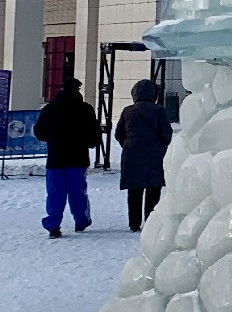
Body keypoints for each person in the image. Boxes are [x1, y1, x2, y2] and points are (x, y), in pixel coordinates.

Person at [34, 75, 101, 238]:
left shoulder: (49, 109)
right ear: (77, 90)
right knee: (78, 191)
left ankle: (53, 224)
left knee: (55, 193)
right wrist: (89, 142)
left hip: (55, 158)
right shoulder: (85, 109)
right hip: (78, 158)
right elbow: (94, 134)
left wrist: (52, 138)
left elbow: (39, 132)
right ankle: (81, 220)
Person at [114, 78, 174, 232]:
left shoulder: (128, 111)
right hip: (154, 154)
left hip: (132, 155)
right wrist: (160, 146)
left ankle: (134, 222)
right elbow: (166, 134)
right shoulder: (159, 110)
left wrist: (128, 144)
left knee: (134, 190)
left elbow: (118, 133)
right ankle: (150, 221)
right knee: (153, 189)